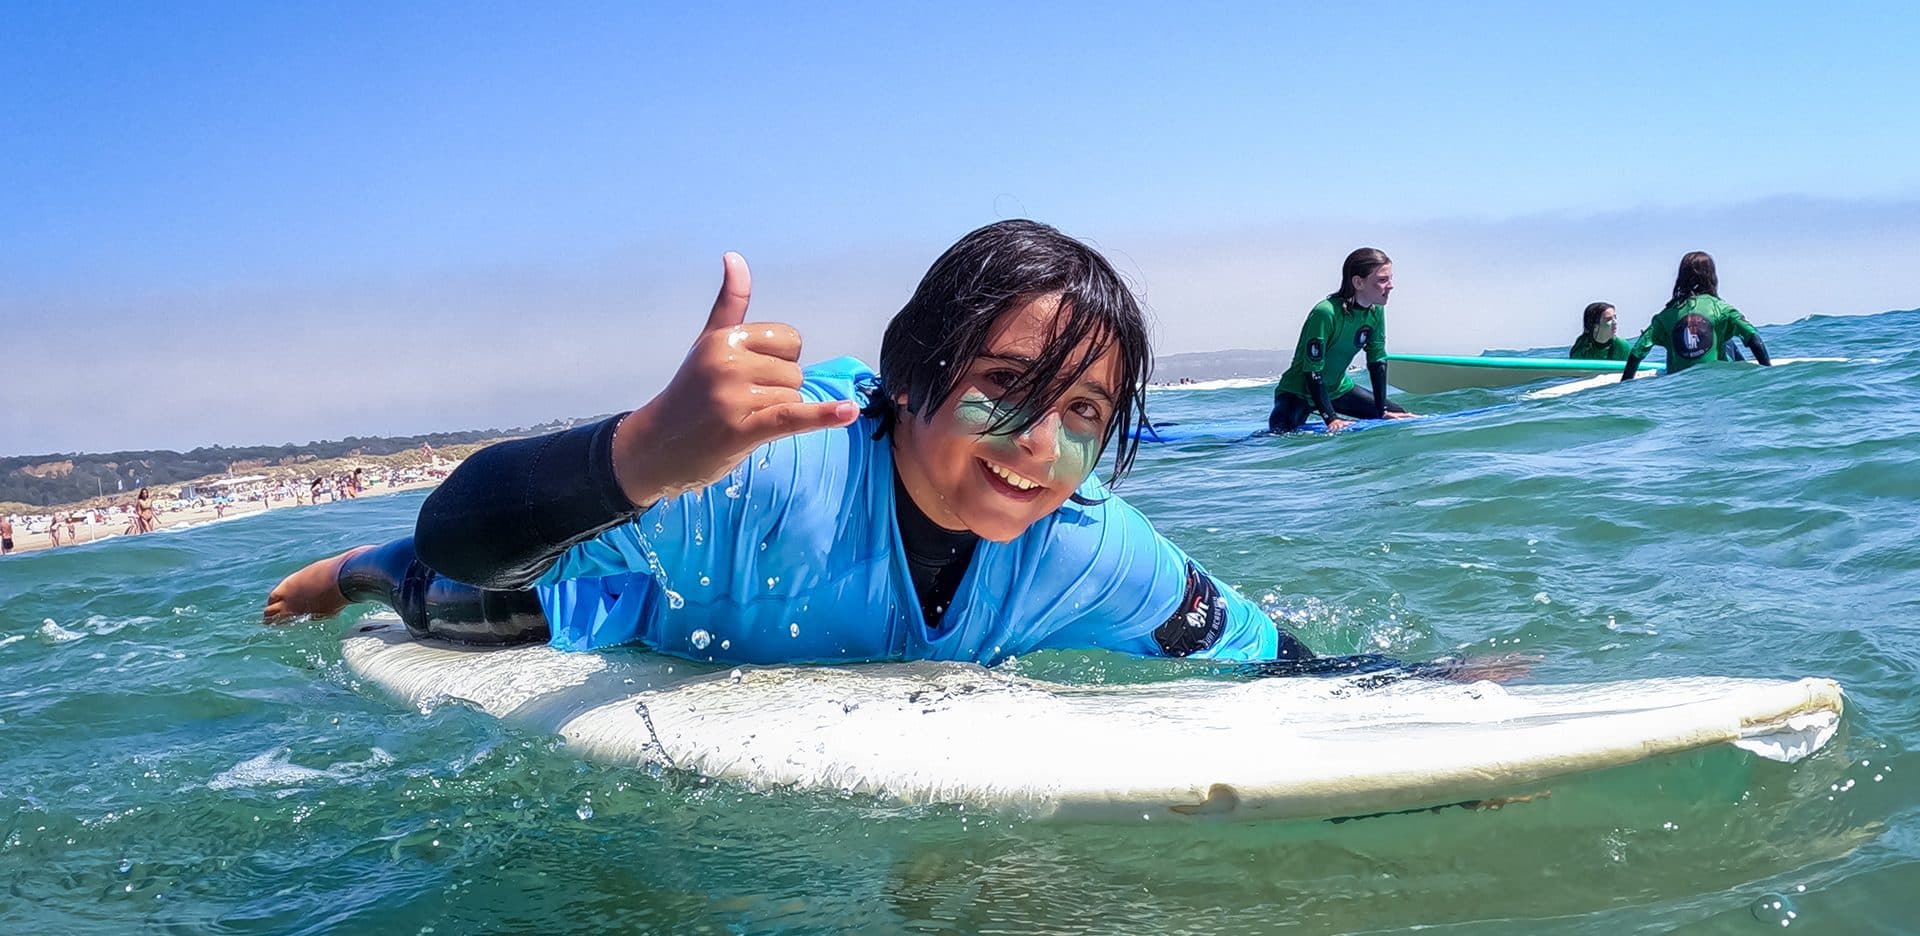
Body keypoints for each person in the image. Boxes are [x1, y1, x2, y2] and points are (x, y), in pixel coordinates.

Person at [268, 221, 1513, 682]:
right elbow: (471, 535)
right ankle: (353, 563)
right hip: (641, 604)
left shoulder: (1096, 550)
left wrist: (1431, 693)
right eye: (1006, 391)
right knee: (458, 609)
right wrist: (646, 451)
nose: (1040, 447)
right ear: (912, 376)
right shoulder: (766, 470)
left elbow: (1272, 656)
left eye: (1085, 416)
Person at [1268, 248, 1416, 433]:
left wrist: (1382, 410)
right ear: (1358, 282)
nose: (1391, 285)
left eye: (1390, 278)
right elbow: (1313, 370)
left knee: (1400, 416)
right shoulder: (1326, 313)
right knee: (1280, 433)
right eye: (1382, 280)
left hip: (1337, 390)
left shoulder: (1375, 311)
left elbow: (1377, 362)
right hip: (1298, 392)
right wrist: (1331, 418)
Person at [1622, 252, 1770, 381]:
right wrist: (1768, 374)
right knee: (1726, 338)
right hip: (1718, 381)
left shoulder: (1666, 316)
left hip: (1678, 386)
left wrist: (1625, 384)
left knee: (1724, 336)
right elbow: (1754, 339)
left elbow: (1637, 351)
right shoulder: (1722, 309)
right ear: (1711, 276)